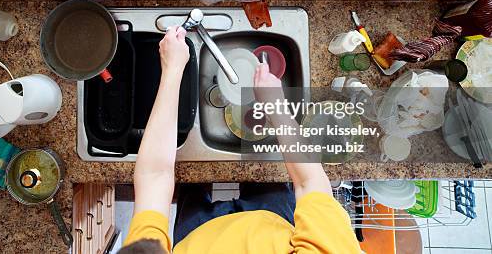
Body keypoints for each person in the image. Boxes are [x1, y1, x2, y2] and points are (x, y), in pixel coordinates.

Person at [119, 26, 360, 254]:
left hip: (196, 233)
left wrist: (172, 70)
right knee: (267, 180)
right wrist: (275, 105)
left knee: (192, 187)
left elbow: (155, 176)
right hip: (272, 219)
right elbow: (310, 183)